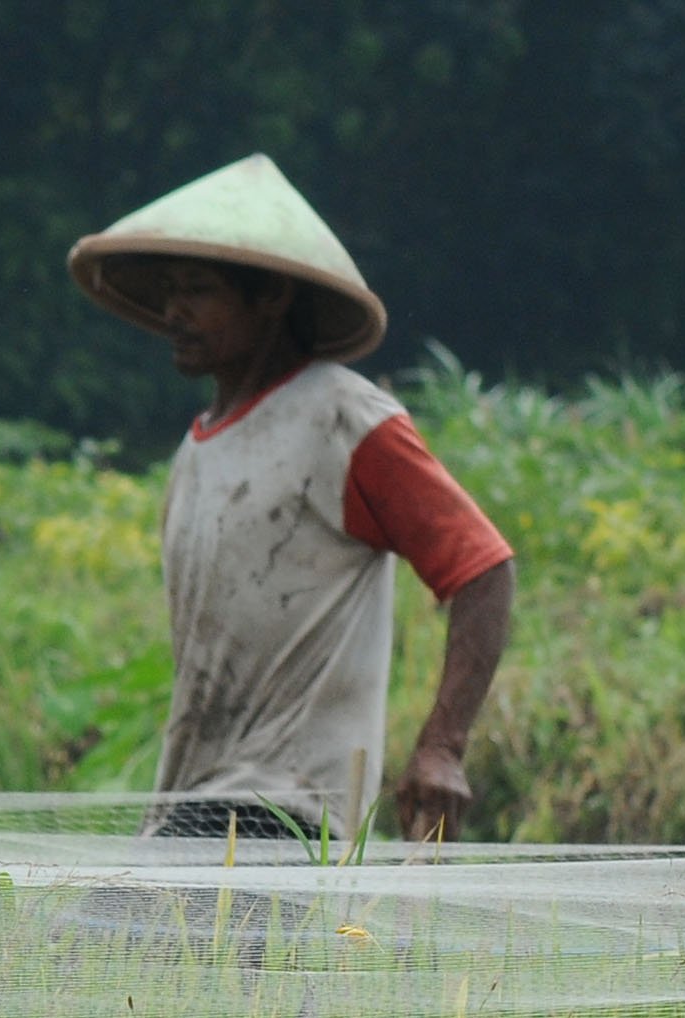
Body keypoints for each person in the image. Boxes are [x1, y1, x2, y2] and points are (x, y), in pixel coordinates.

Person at [70, 155, 514, 846]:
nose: (173, 312)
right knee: (103, 951)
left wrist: (442, 746)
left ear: (271, 298)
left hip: (289, 806)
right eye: (169, 291)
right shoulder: (197, 452)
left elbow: (481, 567)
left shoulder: (343, 420)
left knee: (90, 949)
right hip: (193, 800)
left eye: (199, 290)